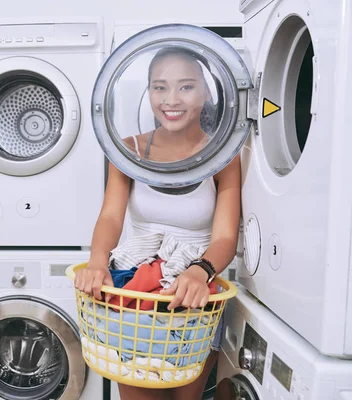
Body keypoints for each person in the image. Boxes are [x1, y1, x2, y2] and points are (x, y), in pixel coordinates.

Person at [73, 47, 241, 400]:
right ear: (148, 92)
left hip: (196, 294)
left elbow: (226, 235)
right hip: (136, 290)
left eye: (186, 86)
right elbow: (110, 216)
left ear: (207, 91)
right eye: (159, 87)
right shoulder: (128, 150)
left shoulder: (224, 155)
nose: (171, 100)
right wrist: (98, 261)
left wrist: (199, 271)